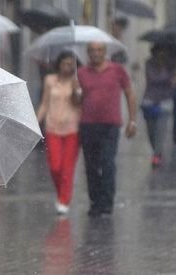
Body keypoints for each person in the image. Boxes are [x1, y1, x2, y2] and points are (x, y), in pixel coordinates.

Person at [77, 41, 137, 217]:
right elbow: (76, 101)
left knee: (108, 163)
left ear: (105, 52)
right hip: (88, 125)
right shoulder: (81, 73)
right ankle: (95, 202)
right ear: (88, 53)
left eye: (99, 50)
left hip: (110, 125)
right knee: (91, 166)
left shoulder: (117, 70)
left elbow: (129, 93)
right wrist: (76, 95)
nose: (95, 53)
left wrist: (132, 120)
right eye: (92, 50)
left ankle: (107, 202)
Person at [36, 51, 82, 214]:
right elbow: (44, 103)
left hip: (72, 129)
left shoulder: (78, 82)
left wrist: (77, 91)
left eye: (71, 64)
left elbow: (79, 104)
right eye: (65, 63)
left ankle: (64, 200)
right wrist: (36, 122)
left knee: (67, 168)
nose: (68, 67)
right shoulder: (50, 80)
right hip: (52, 128)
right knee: (55, 166)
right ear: (59, 64)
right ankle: (61, 193)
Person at [141, 44, 175, 168]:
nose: (162, 54)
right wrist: (165, 73)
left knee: (161, 130)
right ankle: (157, 151)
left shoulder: (171, 64)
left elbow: (173, 80)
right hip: (149, 101)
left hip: (165, 101)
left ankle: (156, 155)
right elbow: (153, 78)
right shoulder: (149, 63)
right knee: (151, 131)